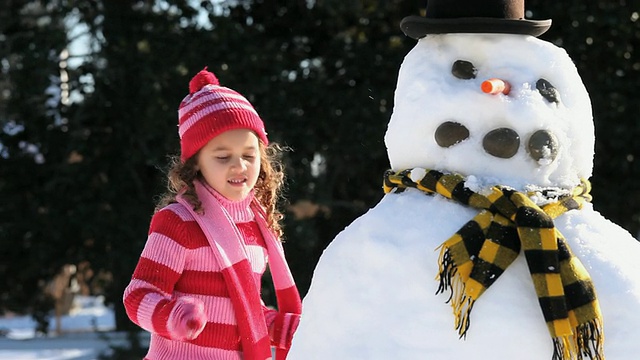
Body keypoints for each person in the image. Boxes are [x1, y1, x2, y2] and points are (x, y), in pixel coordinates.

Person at [123, 68, 302, 360]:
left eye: (248, 155)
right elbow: (137, 296)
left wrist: (280, 327)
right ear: (196, 164)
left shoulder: (256, 227)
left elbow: (245, 312)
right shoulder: (178, 222)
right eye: (222, 157)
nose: (239, 166)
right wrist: (172, 317)